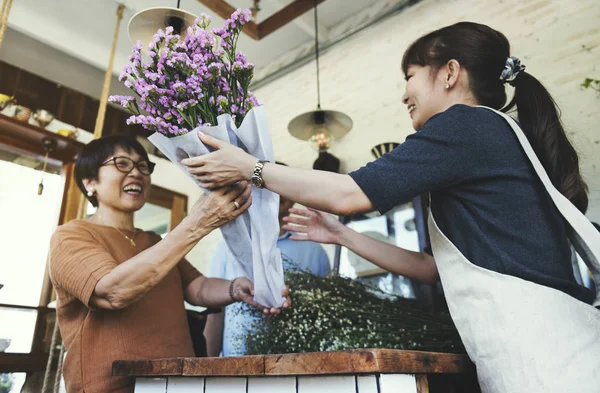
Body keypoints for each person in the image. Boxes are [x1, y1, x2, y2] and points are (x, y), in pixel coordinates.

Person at [181, 22, 600, 392]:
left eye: (411, 76)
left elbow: (349, 192)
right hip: (550, 354)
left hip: (541, 362)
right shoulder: (492, 134)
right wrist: (341, 234)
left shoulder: (465, 124)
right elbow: (430, 268)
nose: (404, 94)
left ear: (450, 72)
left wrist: (251, 167)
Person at [48, 135, 290, 393]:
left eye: (143, 166)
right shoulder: (70, 236)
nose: (136, 173)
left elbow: (196, 288)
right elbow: (112, 292)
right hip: (113, 387)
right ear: (89, 182)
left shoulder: (153, 240)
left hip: (178, 382)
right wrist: (196, 223)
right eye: (121, 164)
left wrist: (238, 288)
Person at [204, 169, 331, 356]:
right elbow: (215, 311)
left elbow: (325, 313)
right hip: (236, 367)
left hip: (299, 364)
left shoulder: (314, 250)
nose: (277, 193)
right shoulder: (229, 246)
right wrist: (208, 370)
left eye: (283, 186)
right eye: (268, 185)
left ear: (292, 197)